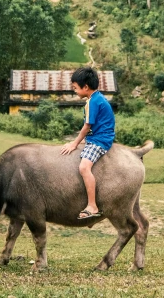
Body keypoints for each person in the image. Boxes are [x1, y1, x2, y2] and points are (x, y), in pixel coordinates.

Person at [60, 67, 115, 219]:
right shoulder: (97, 98)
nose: (75, 91)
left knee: (84, 167)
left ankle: (92, 205)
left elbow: (87, 126)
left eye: (75, 88)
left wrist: (74, 143)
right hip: (98, 135)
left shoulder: (93, 102)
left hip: (99, 140)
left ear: (85, 87)